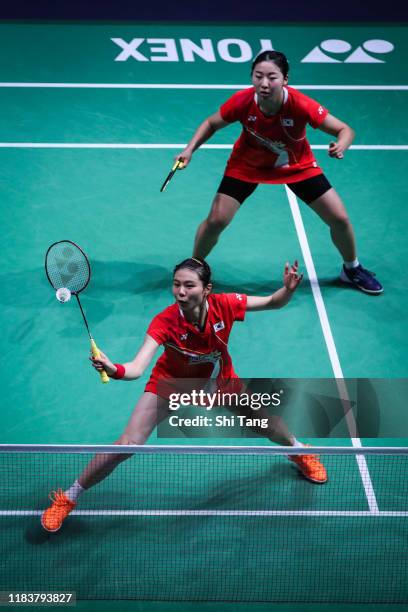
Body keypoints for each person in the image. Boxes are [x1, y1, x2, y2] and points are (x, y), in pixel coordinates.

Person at [41, 257, 327, 533]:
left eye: (189, 285)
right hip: (172, 384)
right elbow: (137, 368)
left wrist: (287, 290)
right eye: (176, 284)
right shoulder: (164, 322)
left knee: (264, 424)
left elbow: (272, 302)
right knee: (127, 444)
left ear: (207, 289)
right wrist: (113, 367)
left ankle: (299, 451)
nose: (180, 291)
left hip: (219, 382)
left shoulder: (225, 305)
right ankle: (69, 497)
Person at [175, 50, 382, 296]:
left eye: (272, 77)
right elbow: (212, 123)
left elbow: (345, 129)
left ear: (285, 79)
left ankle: (351, 269)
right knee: (216, 220)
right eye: (258, 76)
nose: (264, 83)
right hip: (247, 165)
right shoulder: (243, 101)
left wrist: (342, 145)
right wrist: (189, 150)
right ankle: (195, 266)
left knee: (339, 218)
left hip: (296, 166)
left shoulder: (301, 105)